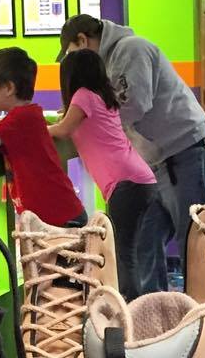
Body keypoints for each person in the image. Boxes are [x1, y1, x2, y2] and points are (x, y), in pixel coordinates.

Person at [57, 14, 205, 293]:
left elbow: (135, 104)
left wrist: (86, 115)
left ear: (82, 40)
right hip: (158, 162)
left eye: (71, 52)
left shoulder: (131, 49)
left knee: (193, 242)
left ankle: (201, 315)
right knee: (144, 243)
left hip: (185, 151)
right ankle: (153, 314)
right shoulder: (108, 63)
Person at [49, 49, 158, 300]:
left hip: (126, 182)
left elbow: (64, 130)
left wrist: (34, 128)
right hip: (139, 178)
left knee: (122, 252)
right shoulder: (102, 97)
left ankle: (131, 307)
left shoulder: (83, 96)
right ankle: (136, 302)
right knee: (129, 250)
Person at [0, 47, 85, 227]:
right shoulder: (29, 116)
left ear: (8, 87)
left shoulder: (19, 118)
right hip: (59, 216)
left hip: (57, 220)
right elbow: (1, 141)